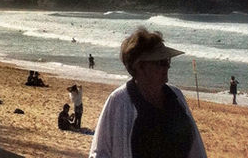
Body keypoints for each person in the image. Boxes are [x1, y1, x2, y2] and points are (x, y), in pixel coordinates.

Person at [89, 26, 208, 158]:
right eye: (160, 62)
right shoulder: (119, 101)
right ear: (139, 66)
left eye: (167, 61)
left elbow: (196, 148)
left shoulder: (175, 96)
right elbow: (100, 152)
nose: (167, 66)